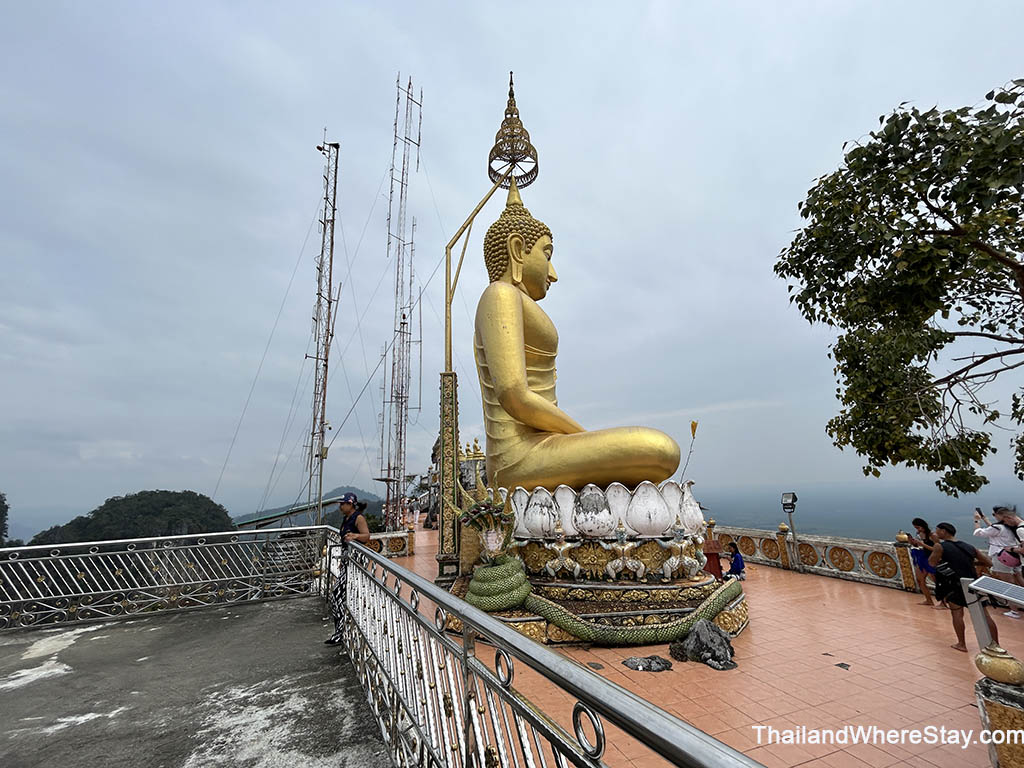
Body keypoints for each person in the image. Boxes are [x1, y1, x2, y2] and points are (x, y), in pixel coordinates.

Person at [929, 522, 999, 652]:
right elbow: (988, 562)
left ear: (944, 531)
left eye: (937, 530)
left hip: (954, 584)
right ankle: (996, 644)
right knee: (985, 616)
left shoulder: (940, 546)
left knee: (957, 613)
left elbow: (932, 563)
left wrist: (935, 545)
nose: (936, 532)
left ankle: (961, 644)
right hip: (973, 584)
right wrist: (971, 563)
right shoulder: (969, 546)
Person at [324, 492, 371, 646]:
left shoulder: (358, 518)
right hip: (347, 559)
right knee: (339, 596)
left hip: (354, 560)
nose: (340, 506)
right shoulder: (346, 519)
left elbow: (366, 536)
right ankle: (340, 631)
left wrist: (355, 536)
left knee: (337, 595)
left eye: (342, 503)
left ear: (350, 504)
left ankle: (340, 633)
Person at [974, 505, 1024, 619]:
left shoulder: (999, 528)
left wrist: (976, 520)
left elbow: (978, 533)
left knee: (1008, 584)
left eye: (994, 515)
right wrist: (985, 519)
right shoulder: (1010, 527)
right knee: (1020, 579)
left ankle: (1014, 610)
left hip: (1002, 557)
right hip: (1015, 557)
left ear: (1002, 516)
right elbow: (993, 528)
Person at [906, 518, 941, 608]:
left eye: (918, 527)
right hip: (922, 558)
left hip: (932, 559)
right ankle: (928, 600)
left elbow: (937, 549)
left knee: (937, 581)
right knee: (920, 580)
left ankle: (943, 602)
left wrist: (922, 544)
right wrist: (912, 542)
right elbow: (918, 546)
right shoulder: (919, 534)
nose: (918, 530)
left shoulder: (932, 535)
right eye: (916, 528)